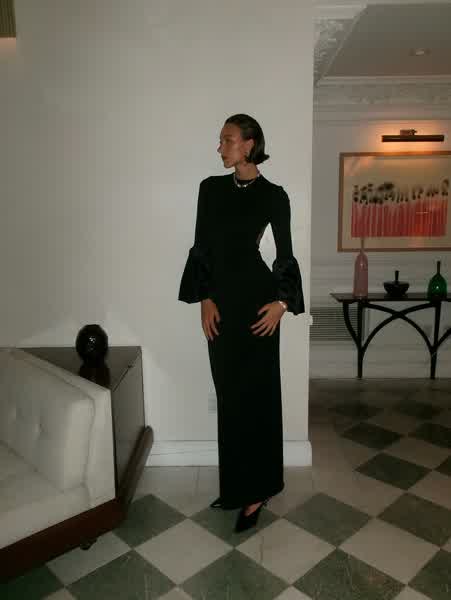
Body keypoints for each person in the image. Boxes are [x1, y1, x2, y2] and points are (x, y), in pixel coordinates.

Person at [178, 114, 304, 533]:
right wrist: (205, 299)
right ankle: (235, 487)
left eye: (227, 140)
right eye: (221, 141)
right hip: (221, 307)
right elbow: (201, 248)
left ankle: (258, 490)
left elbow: (284, 254)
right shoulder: (210, 189)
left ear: (249, 145)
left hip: (258, 306)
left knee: (258, 398)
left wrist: (282, 304)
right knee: (230, 398)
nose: (220, 147)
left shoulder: (274, 196)